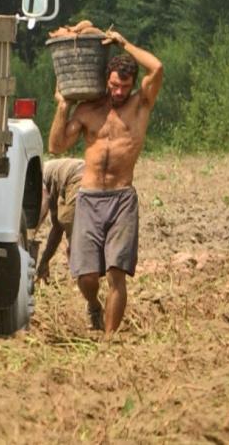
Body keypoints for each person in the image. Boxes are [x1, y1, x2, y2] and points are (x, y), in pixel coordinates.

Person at [48, 31, 164, 334]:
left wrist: (123, 43)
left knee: (116, 273)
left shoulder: (140, 105)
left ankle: (110, 340)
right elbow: (56, 146)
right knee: (87, 276)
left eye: (125, 86)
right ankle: (93, 305)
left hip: (121, 198)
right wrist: (62, 107)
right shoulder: (87, 110)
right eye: (114, 84)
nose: (119, 91)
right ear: (106, 80)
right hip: (89, 197)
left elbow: (157, 68)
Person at [35, 158, 85, 283]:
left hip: (79, 176)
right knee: (63, 219)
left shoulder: (36, 174)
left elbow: (44, 201)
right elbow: (57, 229)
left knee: (70, 223)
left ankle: (83, 278)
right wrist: (44, 261)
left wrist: (32, 232)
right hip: (82, 175)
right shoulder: (55, 187)